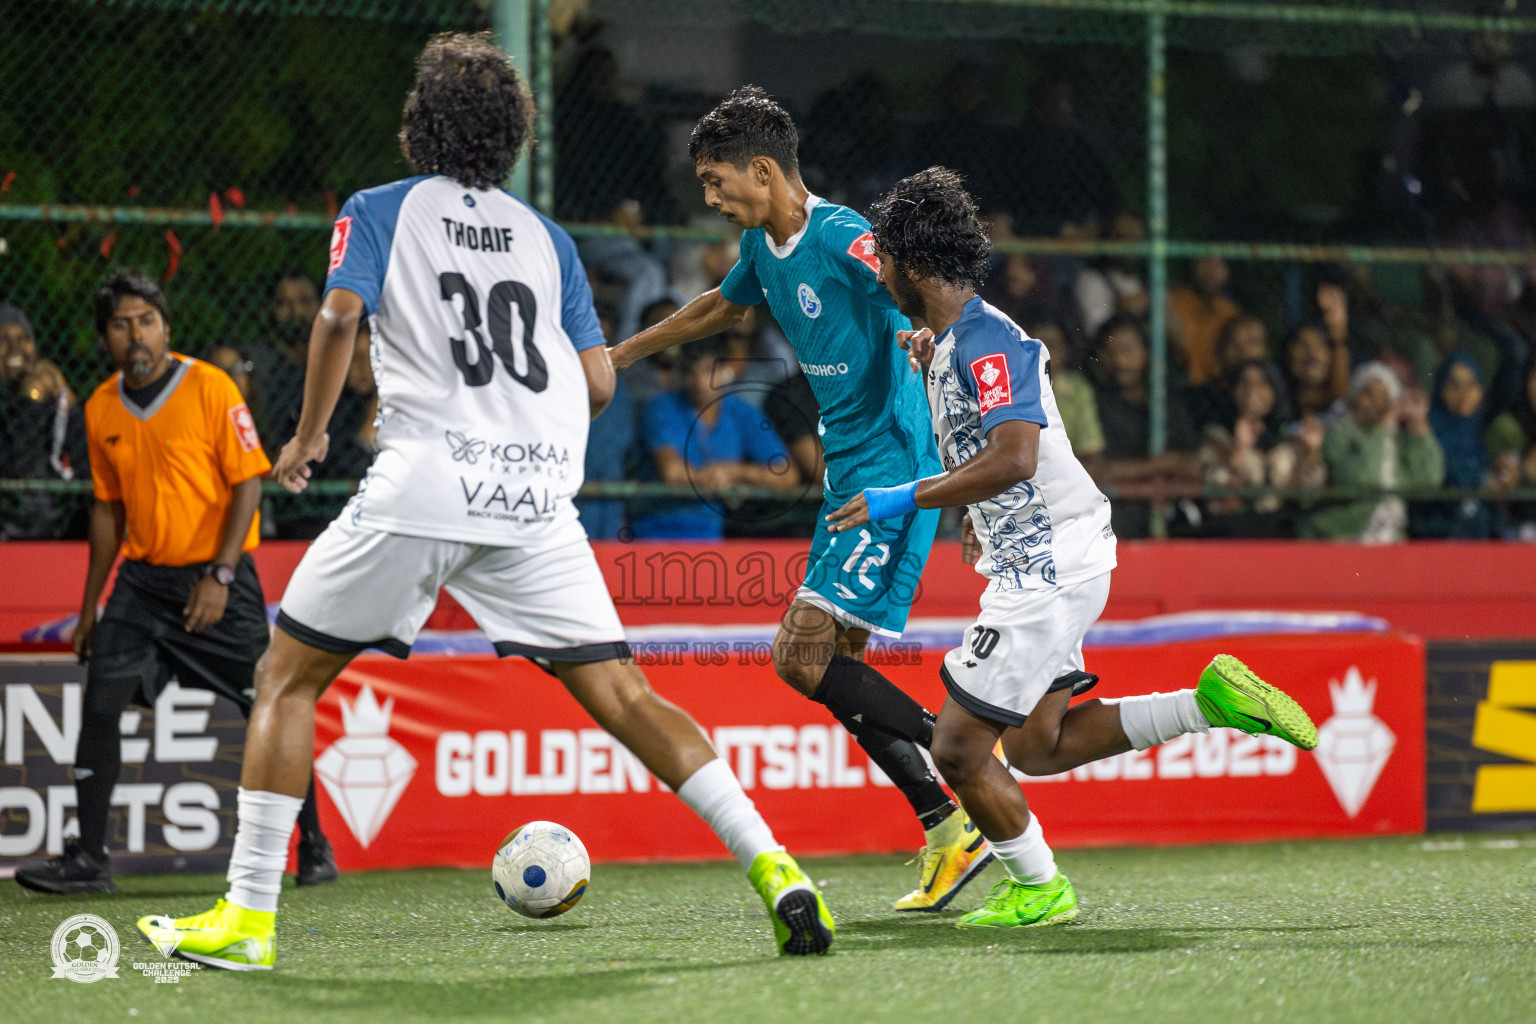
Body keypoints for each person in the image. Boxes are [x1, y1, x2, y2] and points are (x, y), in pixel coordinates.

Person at [138, 35, 833, 970]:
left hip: (425, 484)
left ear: (418, 125)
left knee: (286, 677)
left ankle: (248, 919)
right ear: (512, 137)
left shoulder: (379, 209)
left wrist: (305, 439)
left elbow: (340, 315)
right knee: (629, 697)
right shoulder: (545, 237)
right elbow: (594, 384)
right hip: (533, 497)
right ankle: (778, 869)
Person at [827, 167, 1318, 929]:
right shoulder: (953, 342)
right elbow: (992, 451)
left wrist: (905, 497)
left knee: (958, 747)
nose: (880, 271)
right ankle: (1207, 704)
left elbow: (1017, 456)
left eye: (885, 258)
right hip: (1045, 556)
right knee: (1036, 745)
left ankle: (1039, 886)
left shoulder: (990, 343)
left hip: (1050, 567)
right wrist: (974, 508)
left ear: (914, 266)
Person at [608, 86, 991, 913]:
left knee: (800, 657)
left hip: (889, 468)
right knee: (836, 669)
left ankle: (963, 758)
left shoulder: (844, 235)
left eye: (716, 182)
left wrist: (936, 366)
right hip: (848, 476)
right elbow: (719, 305)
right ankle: (948, 831)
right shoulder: (760, 244)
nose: (709, 198)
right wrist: (623, 352)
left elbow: (915, 290)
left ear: (762, 169)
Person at [13, 269, 335, 895]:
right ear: (105, 336)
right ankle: (88, 860)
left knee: (269, 703)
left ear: (166, 326)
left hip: (217, 578)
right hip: (141, 585)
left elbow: (248, 483)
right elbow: (107, 511)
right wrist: (89, 609)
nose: (136, 334)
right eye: (120, 324)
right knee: (101, 704)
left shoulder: (212, 387)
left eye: (146, 320)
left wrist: (219, 574)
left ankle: (315, 845)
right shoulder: (102, 404)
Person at [631, 339, 800, 540]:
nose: (699, 382)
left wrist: (735, 472)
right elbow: (672, 472)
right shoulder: (660, 408)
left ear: (724, 372)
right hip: (654, 531)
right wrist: (713, 477)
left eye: (708, 371)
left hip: (710, 536)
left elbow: (787, 475)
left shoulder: (741, 412)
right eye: (690, 372)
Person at [1305, 362, 1444, 542]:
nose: (1376, 403)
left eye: (1384, 397)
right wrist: (1380, 431)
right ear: (1356, 397)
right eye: (1369, 394)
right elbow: (1361, 481)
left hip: (1391, 537)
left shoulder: (1397, 438)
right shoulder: (1339, 433)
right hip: (1347, 536)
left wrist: (1419, 428)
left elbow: (1430, 479)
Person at [1415, 353, 1496, 538]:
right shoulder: (1428, 427)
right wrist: (1485, 482)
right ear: (1441, 388)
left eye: (1471, 384)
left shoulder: (1478, 429)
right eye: (1455, 385)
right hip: (1438, 530)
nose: (1464, 393)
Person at [1168, 257, 1242, 386]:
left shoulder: (1231, 314)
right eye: (1204, 262)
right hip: (1178, 385)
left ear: (1227, 271)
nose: (1210, 271)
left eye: (1217, 265)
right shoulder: (1173, 301)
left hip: (1215, 389)